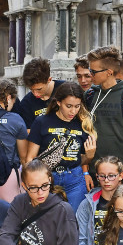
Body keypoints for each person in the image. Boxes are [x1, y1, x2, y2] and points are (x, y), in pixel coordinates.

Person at [25, 82, 97, 210]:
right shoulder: (42, 121)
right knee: (47, 221)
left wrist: (89, 156)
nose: (73, 111)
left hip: (74, 179)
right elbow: (30, 158)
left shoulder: (83, 124)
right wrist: (32, 182)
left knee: (73, 222)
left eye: (77, 106)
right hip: (47, 179)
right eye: (68, 106)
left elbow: (80, 160)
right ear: (58, 102)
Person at [84, 46, 123, 182]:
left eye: (93, 71)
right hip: (94, 171)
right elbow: (82, 134)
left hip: (118, 172)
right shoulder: (90, 95)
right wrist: (85, 171)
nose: (90, 75)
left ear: (109, 72)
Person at [76, 155, 123, 245]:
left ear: (121, 176)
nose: (106, 180)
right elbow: (79, 241)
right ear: (97, 177)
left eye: (111, 176)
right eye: (102, 176)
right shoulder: (86, 204)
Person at [18, 58, 63, 130]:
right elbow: (28, 131)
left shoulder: (66, 90)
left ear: (49, 80)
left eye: (39, 89)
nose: (36, 94)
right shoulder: (26, 103)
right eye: (31, 90)